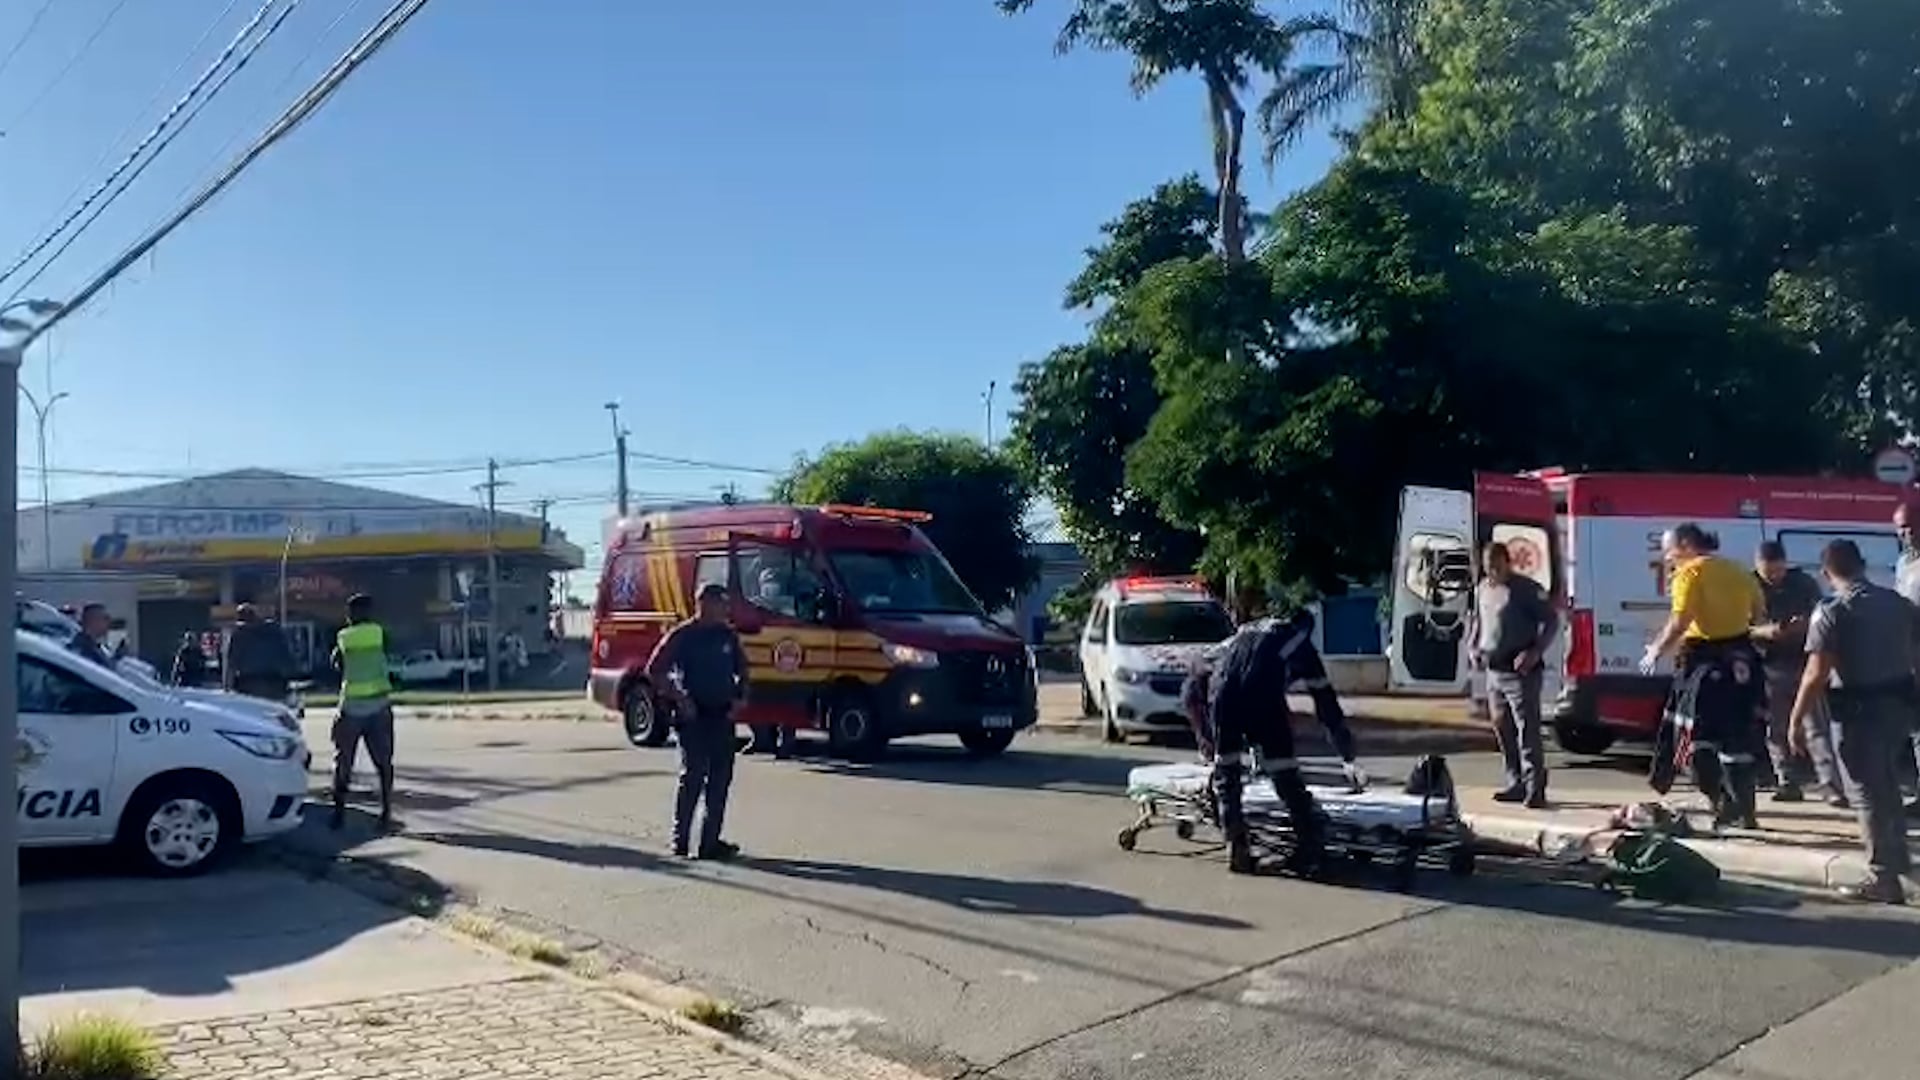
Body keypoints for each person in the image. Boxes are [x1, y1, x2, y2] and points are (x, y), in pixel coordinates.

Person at [1789, 539, 1915, 904]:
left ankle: (1883, 877)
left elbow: (1816, 672)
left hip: (1860, 711)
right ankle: (1901, 863)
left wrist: (1795, 720)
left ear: (1827, 573)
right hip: (1898, 706)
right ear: (1862, 565)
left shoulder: (1832, 610)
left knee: (1865, 793)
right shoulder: (1898, 604)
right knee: (1888, 786)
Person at [1208, 602, 1365, 876]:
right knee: (1285, 774)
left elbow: (1203, 668)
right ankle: (1308, 850)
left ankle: (1236, 844)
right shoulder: (1297, 639)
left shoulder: (1244, 633)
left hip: (1220, 693)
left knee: (1227, 772)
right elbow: (1324, 700)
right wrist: (1345, 751)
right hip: (1262, 697)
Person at [1643, 523, 1768, 829]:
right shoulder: (1739, 571)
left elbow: (1680, 621)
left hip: (1704, 667)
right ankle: (1746, 811)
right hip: (1742, 664)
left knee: (1693, 740)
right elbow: (1759, 615)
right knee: (1738, 739)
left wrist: (1655, 651)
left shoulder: (1690, 574)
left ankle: (1723, 804)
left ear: (1686, 544)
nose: (1668, 556)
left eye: (1669, 548)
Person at [647, 582, 749, 860]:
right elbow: (655, 670)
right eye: (720, 604)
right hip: (693, 717)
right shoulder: (683, 636)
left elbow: (743, 671)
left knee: (719, 781)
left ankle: (710, 843)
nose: (725, 609)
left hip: (722, 715)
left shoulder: (727, 636)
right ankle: (680, 841)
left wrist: (741, 698)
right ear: (702, 604)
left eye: (725, 604)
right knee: (692, 778)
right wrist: (679, 698)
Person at [1751, 541, 1846, 805]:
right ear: (1757, 566)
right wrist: (1765, 631)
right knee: (1777, 728)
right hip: (1769, 665)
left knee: (1817, 727)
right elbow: (1741, 625)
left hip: (1805, 662)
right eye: (1768, 573)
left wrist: (1804, 625)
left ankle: (1832, 786)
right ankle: (1787, 782)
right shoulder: (1748, 586)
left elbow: (1823, 613)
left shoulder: (1803, 583)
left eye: (1779, 571)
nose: (1775, 577)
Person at [1467, 541, 1559, 809]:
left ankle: (1535, 787)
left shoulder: (1526, 590)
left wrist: (1535, 652)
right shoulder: (1483, 589)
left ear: (1508, 563)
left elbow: (1551, 621)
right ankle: (1515, 781)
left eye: (1496, 567)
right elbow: (1477, 619)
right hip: (1494, 670)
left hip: (1521, 671)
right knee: (1501, 726)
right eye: (1488, 568)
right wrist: (1473, 646)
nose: (1492, 573)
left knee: (1526, 729)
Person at [330, 593, 397, 832]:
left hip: (351, 707)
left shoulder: (344, 636)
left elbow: (336, 663)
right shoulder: (379, 632)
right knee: (384, 762)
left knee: (343, 761)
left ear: (351, 614)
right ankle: (386, 811)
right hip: (379, 704)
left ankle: (338, 814)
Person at [1887, 501, 1920, 816]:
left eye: (1910, 526)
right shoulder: (1903, 563)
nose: (1905, 533)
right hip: (1908, 655)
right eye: (1900, 527)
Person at [225, 603, 296, 702]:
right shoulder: (274, 630)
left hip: (249, 684)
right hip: (275, 682)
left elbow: (232, 664)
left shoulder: (239, 635)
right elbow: (286, 657)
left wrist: (228, 689)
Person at [66, 603, 115, 668]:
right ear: (94, 621)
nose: (109, 622)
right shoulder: (82, 650)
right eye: (106, 618)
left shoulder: (96, 647)